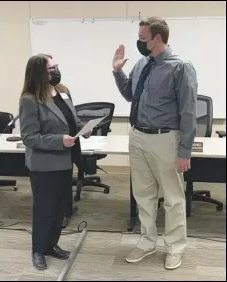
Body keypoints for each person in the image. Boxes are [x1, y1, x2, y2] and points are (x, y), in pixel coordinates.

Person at [112, 17, 197, 270]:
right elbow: (130, 94)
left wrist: (185, 151)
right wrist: (118, 71)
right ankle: (147, 241)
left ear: (157, 38)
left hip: (165, 138)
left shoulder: (181, 67)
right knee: (143, 194)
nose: (138, 42)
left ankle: (175, 247)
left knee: (172, 197)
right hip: (137, 136)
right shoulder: (141, 64)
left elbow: (189, 112)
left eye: (142, 38)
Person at [19, 53, 86, 270]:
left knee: (60, 209)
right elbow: (30, 137)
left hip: (65, 161)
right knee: (45, 210)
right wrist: (60, 140)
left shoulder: (63, 92)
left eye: (56, 66)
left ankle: (51, 245)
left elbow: (71, 119)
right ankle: (38, 250)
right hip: (45, 164)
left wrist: (84, 127)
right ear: (39, 72)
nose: (55, 71)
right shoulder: (29, 99)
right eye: (50, 69)